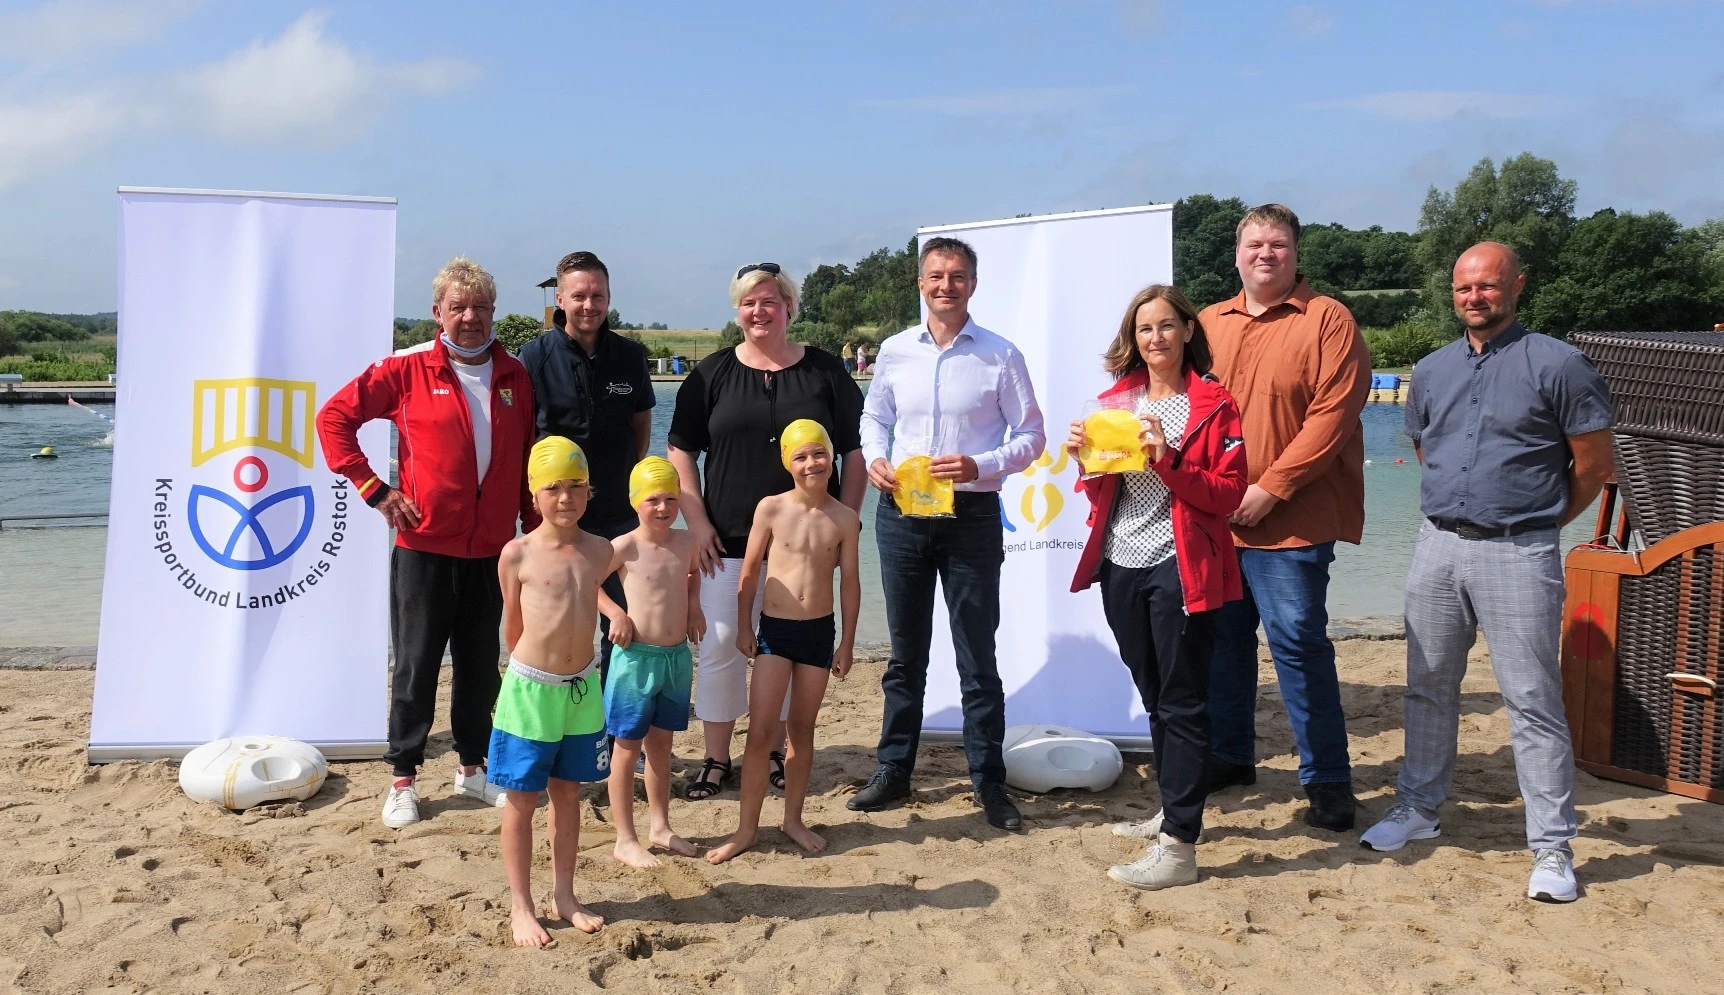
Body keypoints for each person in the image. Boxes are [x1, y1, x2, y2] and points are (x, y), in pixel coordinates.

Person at [1360, 242, 1613, 904]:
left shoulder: (1559, 364)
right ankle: (1418, 808)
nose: (1475, 297)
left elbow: (1591, 462)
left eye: (1489, 286)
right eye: (1464, 287)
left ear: (1517, 286)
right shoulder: (1433, 369)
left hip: (1520, 551)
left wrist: (1543, 520)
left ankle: (1552, 845)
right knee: (1426, 686)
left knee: (1532, 697)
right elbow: (1425, 447)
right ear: (1453, 293)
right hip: (1437, 545)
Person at [319, 256, 538, 829]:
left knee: (480, 667)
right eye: (459, 307)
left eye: (481, 307)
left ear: (495, 313)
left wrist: (532, 531)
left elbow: (522, 465)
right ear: (438, 311)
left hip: (491, 550)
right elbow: (333, 418)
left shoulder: (515, 375)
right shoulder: (406, 368)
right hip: (424, 547)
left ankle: (471, 770)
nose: (470, 317)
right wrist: (375, 489)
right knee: (416, 666)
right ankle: (403, 780)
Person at [851, 236, 1046, 831]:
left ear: (973, 284)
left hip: (971, 519)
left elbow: (1033, 436)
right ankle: (894, 772)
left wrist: (979, 466)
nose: (945, 285)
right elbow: (874, 416)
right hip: (902, 515)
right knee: (905, 655)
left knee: (976, 655)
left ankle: (988, 781)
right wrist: (875, 458)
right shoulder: (893, 351)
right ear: (920, 283)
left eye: (957, 276)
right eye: (935, 275)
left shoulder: (1000, 355)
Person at [1065, 285, 1248, 889]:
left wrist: (1168, 458)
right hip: (1121, 562)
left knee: (1183, 700)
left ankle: (1180, 849)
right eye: (1145, 329)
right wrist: (1085, 461)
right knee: (1154, 696)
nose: (1156, 338)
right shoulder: (1116, 402)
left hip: (1182, 565)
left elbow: (1224, 496)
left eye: (1167, 326)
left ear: (1188, 331)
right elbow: (1101, 490)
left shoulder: (1215, 405)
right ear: (1133, 338)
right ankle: (1174, 807)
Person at [1198, 204, 1372, 831]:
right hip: (1216, 521)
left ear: (1296, 252)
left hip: (1291, 523)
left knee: (1298, 645)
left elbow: (1333, 417)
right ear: (1237, 253)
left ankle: (1326, 778)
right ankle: (1227, 756)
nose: (1264, 254)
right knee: (1223, 645)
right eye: (1253, 244)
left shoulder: (1329, 320)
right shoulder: (1209, 322)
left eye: (1277, 244)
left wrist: (1271, 488)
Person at [666, 263, 865, 801]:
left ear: (789, 307)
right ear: (737, 311)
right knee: (723, 646)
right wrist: (697, 521)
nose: (760, 312)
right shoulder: (710, 374)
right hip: (724, 540)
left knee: (782, 650)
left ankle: (775, 751)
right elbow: (680, 449)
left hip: (803, 550)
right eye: (750, 303)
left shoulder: (825, 371)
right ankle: (715, 758)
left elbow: (855, 451)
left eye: (770, 302)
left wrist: (844, 523)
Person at [707, 420, 862, 864]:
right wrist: (742, 625)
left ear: (831, 457)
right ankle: (746, 829)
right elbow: (750, 569)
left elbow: (850, 583)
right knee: (759, 733)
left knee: (802, 731)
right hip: (775, 631)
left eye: (820, 453)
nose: (812, 463)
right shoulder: (772, 508)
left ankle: (793, 819)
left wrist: (848, 643)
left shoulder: (845, 518)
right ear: (787, 463)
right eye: (801, 456)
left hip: (818, 633)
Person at [489, 437, 610, 946]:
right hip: (532, 691)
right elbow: (511, 630)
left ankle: (564, 894)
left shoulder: (601, 550)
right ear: (533, 494)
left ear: (590, 491)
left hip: (582, 690)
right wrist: (519, 682)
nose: (565, 498)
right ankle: (522, 905)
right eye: (553, 488)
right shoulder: (517, 554)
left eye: (576, 487)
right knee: (521, 799)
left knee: (568, 796)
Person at [517, 251, 654, 687]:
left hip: (617, 512)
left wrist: (630, 477)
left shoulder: (631, 356)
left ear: (609, 297)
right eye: (579, 296)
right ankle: (557, 702)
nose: (589, 305)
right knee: (557, 620)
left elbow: (641, 422)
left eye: (598, 295)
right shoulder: (532, 357)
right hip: (555, 518)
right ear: (560, 298)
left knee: (621, 623)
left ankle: (615, 727)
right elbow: (523, 434)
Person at [601, 456, 704, 868]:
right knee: (626, 749)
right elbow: (589, 581)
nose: (662, 508)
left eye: (670, 499)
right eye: (652, 500)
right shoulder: (625, 545)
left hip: (676, 658)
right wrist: (616, 614)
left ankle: (659, 825)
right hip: (635, 660)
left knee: (662, 747)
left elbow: (692, 575)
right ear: (634, 502)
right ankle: (624, 837)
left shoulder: (686, 541)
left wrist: (695, 608)